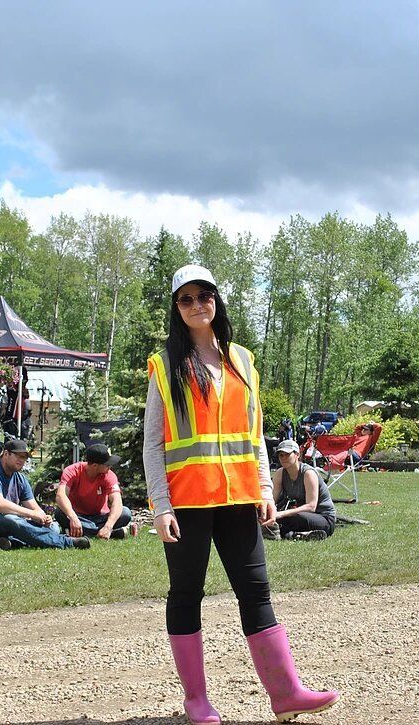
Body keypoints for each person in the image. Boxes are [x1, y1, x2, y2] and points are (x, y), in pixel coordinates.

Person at [144, 264, 339, 725]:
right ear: (176, 308)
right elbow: (153, 441)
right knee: (186, 593)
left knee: (256, 591)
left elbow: (253, 435)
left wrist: (266, 487)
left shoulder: (243, 360)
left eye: (203, 296)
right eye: (185, 299)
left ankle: (286, 692)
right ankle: (196, 701)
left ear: (216, 300)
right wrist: (160, 505)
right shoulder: (164, 364)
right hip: (187, 502)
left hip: (239, 498)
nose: (196, 305)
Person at [0, 438, 90, 550]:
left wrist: (44, 517)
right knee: (10, 519)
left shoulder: (20, 478)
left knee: (53, 527)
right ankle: (67, 542)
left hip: (8, 523)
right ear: (6, 454)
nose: (22, 460)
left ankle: (6, 541)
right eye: (18, 456)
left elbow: (33, 506)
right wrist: (32, 514)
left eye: (24, 457)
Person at [55, 443, 136, 540]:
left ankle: (81, 532)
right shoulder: (72, 471)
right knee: (60, 512)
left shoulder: (109, 475)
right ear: (95, 465)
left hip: (101, 517)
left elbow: (117, 501)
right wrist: (73, 518)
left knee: (125, 513)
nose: (110, 467)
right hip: (78, 515)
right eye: (107, 464)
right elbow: (61, 496)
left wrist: (108, 526)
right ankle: (112, 533)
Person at [269, 439, 337, 541]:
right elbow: (272, 500)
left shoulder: (308, 473)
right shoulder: (280, 473)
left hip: (323, 518)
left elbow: (311, 506)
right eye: (281, 455)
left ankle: (284, 532)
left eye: (287, 454)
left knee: (294, 518)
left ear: (297, 455)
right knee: (278, 518)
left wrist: (281, 514)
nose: (283, 458)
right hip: (299, 515)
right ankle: (297, 535)